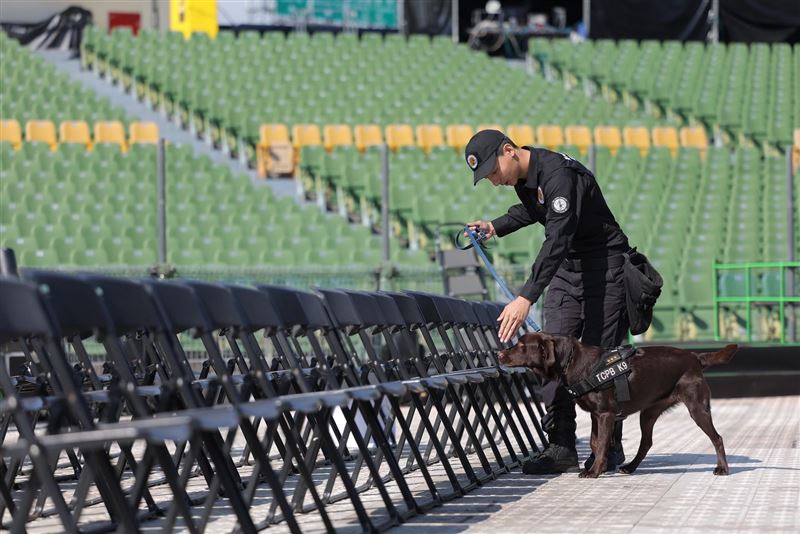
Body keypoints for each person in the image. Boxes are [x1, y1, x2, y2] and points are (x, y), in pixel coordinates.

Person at [464, 129, 631, 474]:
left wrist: (526, 296)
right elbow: (533, 209)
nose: (494, 181)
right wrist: (495, 226)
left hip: (605, 269)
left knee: (602, 360)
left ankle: (609, 448)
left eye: (493, 171)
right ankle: (560, 446)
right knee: (548, 353)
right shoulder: (525, 179)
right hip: (569, 271)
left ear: (509, 151)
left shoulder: (558, 174)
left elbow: (557, 238)